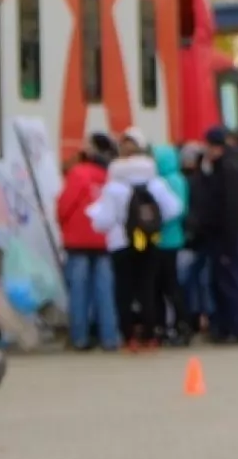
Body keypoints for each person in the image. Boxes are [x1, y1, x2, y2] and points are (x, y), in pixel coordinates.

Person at [89, 127, 184, 350]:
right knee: (147, 287)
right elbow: (174, 209)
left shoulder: (113, 186)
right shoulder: (155, 182)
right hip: (148, 240)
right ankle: (150, 336)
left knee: (124, 290)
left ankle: (130, 336)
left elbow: (103, 221)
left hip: (120, 243)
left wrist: (98, 218)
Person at [57, 133, 118, 352]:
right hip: (104, 240)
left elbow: (65, 204)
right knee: (105, 291)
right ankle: (109, 337)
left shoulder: (78, 173)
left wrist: (63, 226)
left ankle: (80, 337)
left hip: (78, 239)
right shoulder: (109, 175)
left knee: (79, 292)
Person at [190, 127, 238, 344]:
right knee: (221, 282)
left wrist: (228, 237)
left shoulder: (228, 169)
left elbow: (231, 208)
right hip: (220, 236)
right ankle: (226, 327)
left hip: (226, 237)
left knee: (229, 282)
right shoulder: (222, 167)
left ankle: (234, 327)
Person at [151, 141, 192, 345]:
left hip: (161, 240)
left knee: (163, 285)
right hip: (175, 238)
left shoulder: (162, 182)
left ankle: (170, 324)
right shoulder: (179, 179)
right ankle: (180, 323)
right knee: (171, 284)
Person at [177, 141, 214, 337]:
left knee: (188, 281)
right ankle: (206, 317)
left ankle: (193, 317)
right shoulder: (207, 180)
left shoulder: (183, 181)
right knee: (204, 281)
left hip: (188, 239)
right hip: (204, 237)